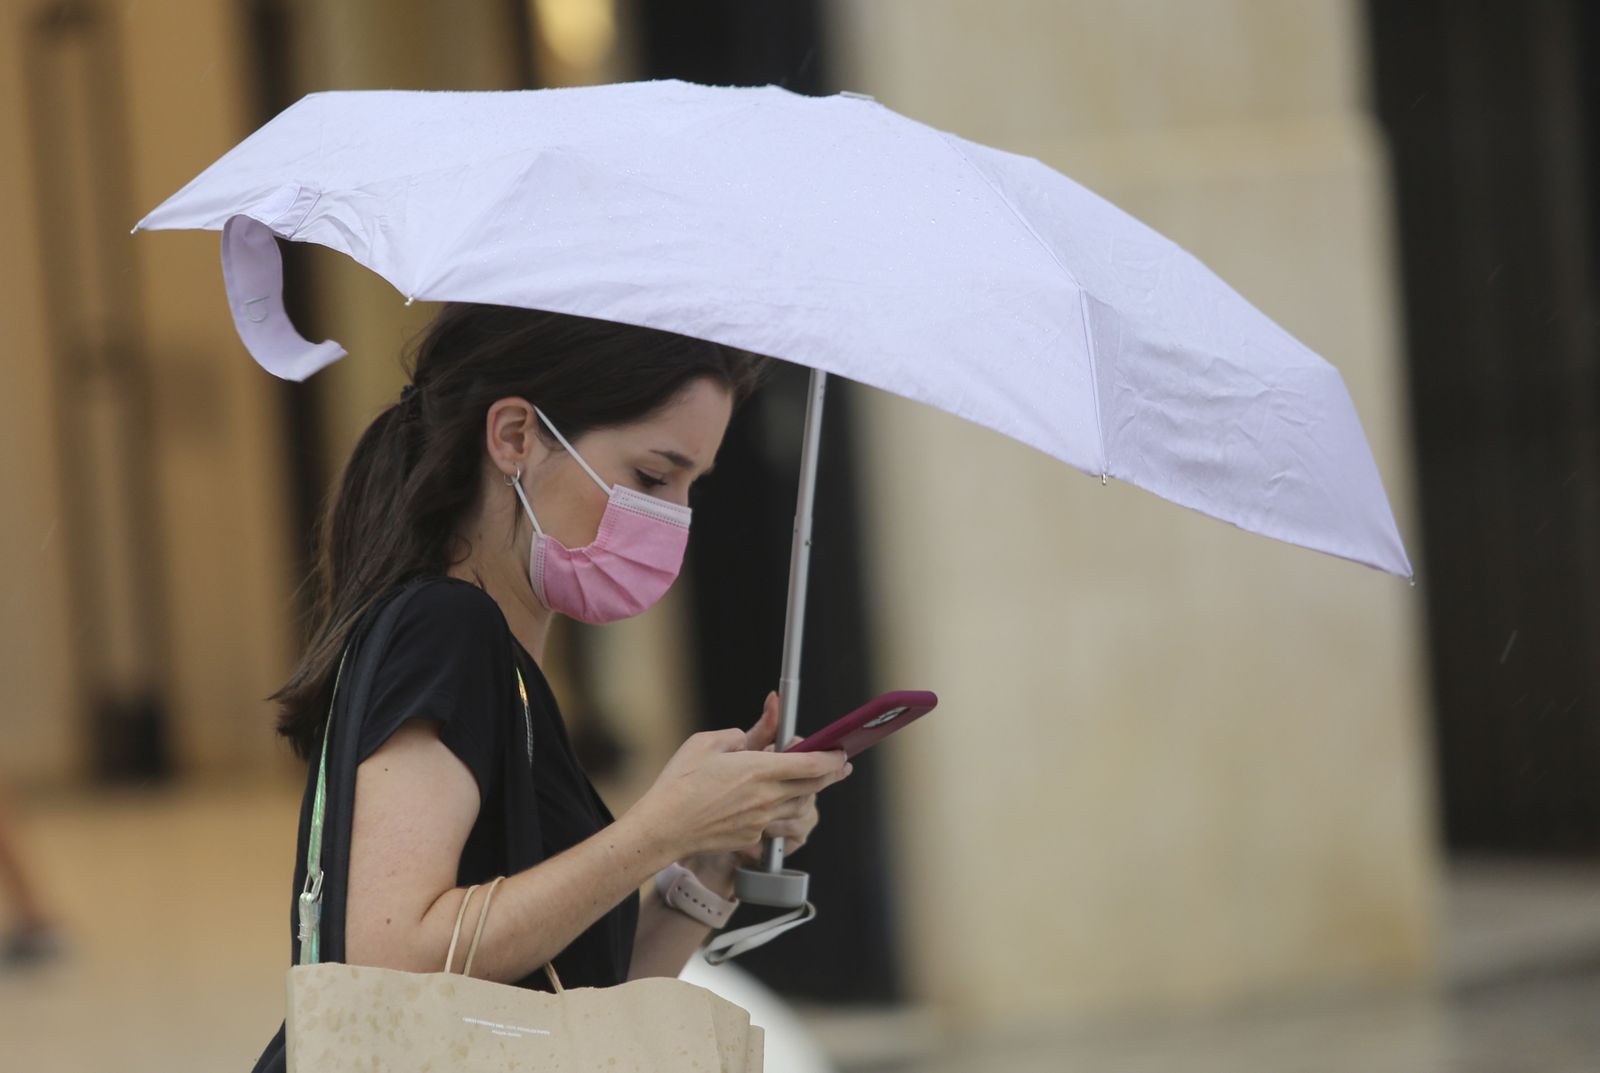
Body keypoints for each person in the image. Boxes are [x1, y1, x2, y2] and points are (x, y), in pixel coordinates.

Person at [250, 304, 850, 1070]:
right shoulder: (446, 627)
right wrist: (657, 827)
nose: (675, 518)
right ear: (514, 437)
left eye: (691, 485)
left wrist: (706, 859)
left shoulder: (505, 664)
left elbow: (573, 1007)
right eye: (652, 475)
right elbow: (388, 962)